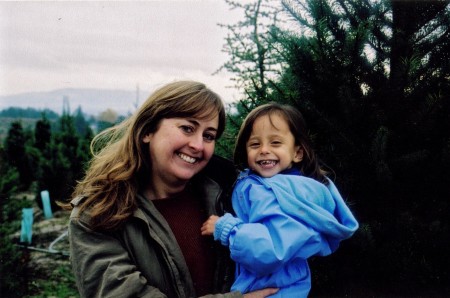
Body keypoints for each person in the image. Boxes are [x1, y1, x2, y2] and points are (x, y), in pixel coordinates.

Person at [66, 81, 278, 298]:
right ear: (148, 130)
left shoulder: (233, 196)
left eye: (209, 136)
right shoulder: (97, 215)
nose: (198, 145)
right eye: (187, 128)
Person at [201, 103, 359, 297]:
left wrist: (226, 228)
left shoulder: (276, 193)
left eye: (275, 143)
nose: (264, 150)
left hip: (274, 290)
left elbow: (271, 249)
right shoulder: (277, 185)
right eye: (255, 144)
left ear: (297, 153)